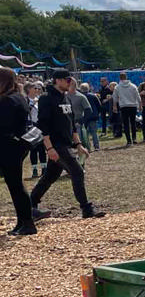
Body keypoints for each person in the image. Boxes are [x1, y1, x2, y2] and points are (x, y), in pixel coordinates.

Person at [30, 68, 104, 219]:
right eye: (68, 80)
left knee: (50, 176)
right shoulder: (46, 98)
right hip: (56, 144)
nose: (70, 83)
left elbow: (72, 124)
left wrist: (78, 145)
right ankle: (86, 209)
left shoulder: (66, 98)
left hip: (65, 143)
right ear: (58, 80)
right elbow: (43, 125)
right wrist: (49, 147)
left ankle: (30, 205)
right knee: (77, 171)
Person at [0, 67, 36, 235]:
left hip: (8, 146)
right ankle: (23, 221)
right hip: (19, 145)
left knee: (15, 185)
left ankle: (27, 222)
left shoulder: (7, 101)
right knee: (16, 184)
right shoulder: (19, 97)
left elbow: (4, 126)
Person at [113, 72, 141, 146]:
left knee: (126, 124)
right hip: (133, 106)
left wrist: (114, 106)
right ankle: (134, 138)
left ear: (120, 78)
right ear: (126, 77)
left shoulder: (117, 87)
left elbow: (115, 98)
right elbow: (138, 96)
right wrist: (140, 105)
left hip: (124, 106)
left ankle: (128, 140)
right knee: (133, 123)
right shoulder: (133, 86)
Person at [25, 81, 46, 177]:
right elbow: (25, 113)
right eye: (35, 88)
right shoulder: (25, 100)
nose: (37, 90)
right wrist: (32, 104)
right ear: (29, 90)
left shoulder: (39, 99)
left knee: (42, 148)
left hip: (40, 126)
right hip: (30, 126)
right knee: (33, 149)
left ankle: (44, 168)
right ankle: (34, 170)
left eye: (38, 88)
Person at [78, 82, 101, 151]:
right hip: (93, 116)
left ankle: (87, 147)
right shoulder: (93, 96)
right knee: (94, 132)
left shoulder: (80, 97)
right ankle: (96, 146)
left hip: (84, 117)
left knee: (85, 133)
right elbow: (99, 105)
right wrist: (98, 113)